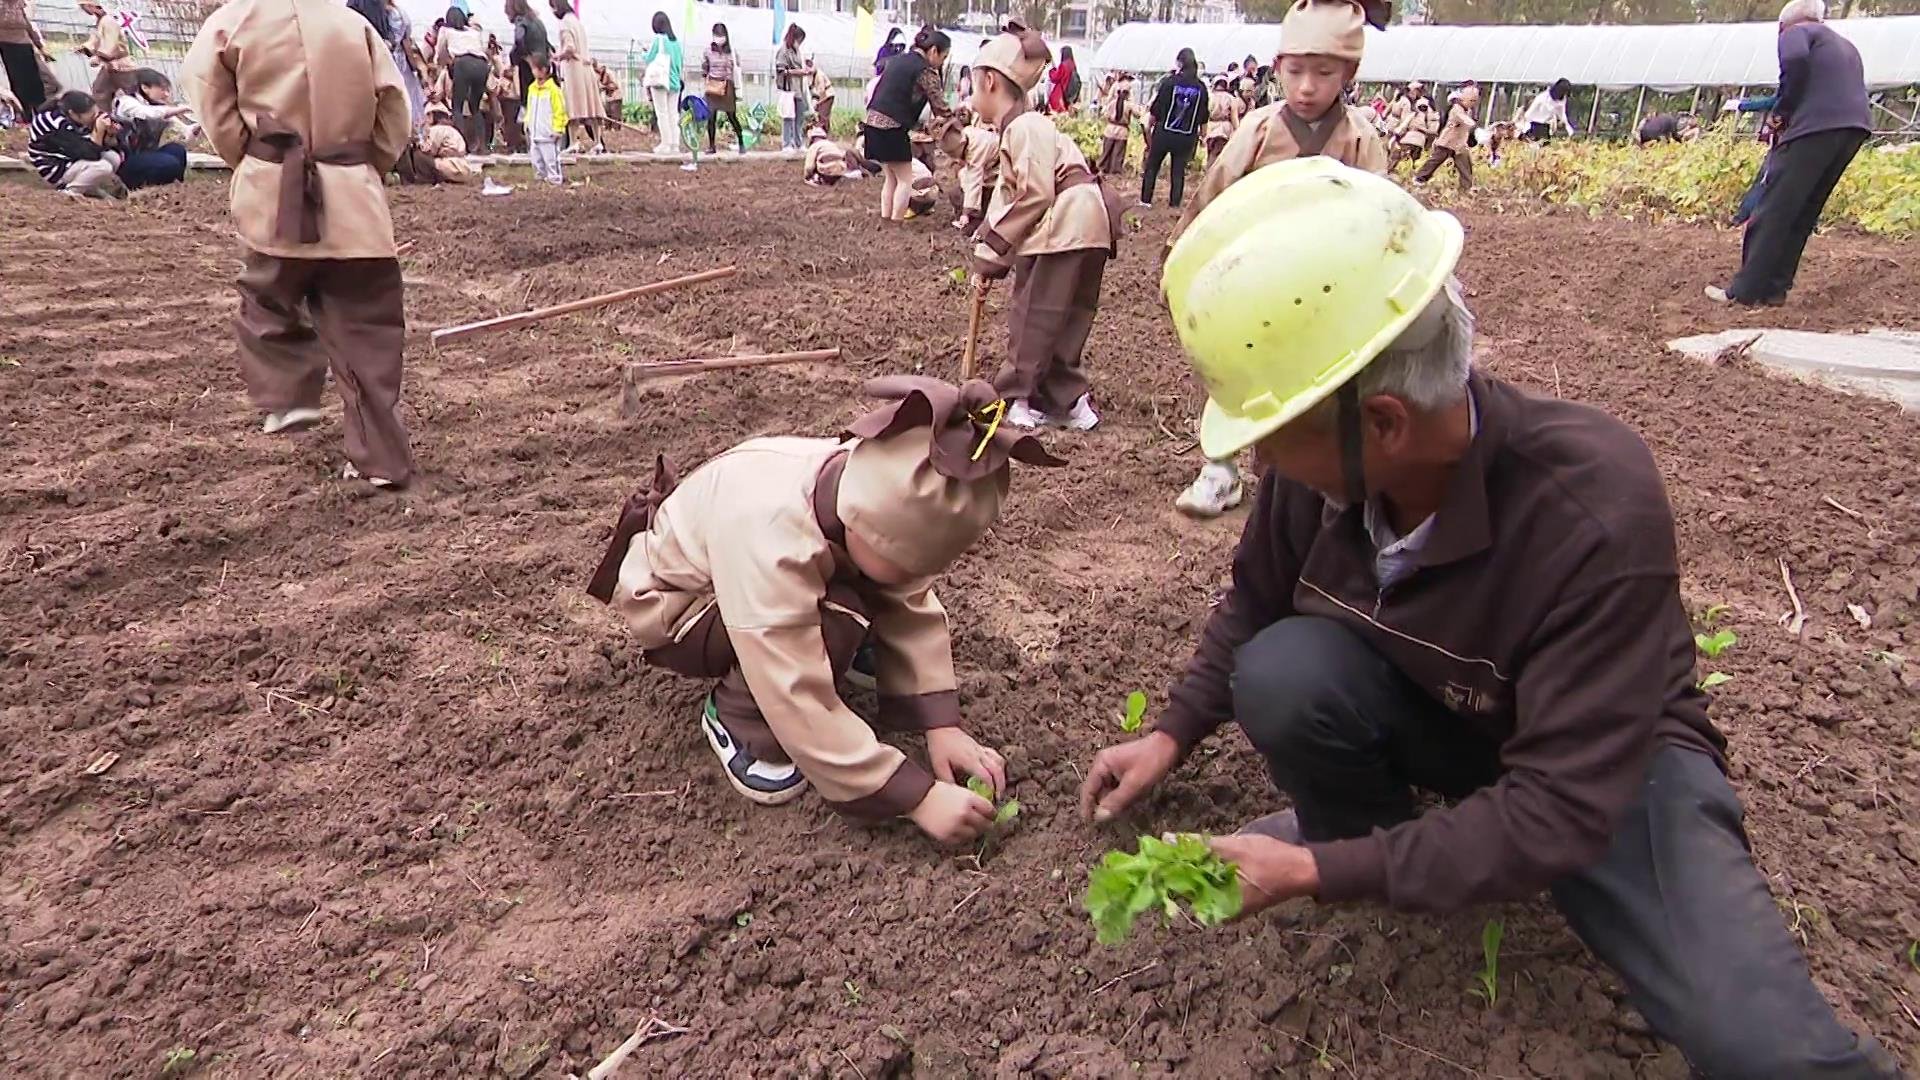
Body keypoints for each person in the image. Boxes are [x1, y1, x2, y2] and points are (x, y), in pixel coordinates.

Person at [1082, 155, 1907, 1080]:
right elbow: (1257, 602)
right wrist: (1172, 734)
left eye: (1270, 432)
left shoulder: (1588, 504)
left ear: (1383, 423)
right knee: (1284, 670)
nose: (1260, 458)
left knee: (1764, 1050)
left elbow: (1560, 805)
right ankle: (1370, 838)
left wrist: (1316, 877)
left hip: (1601, 764)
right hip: (1449, 712)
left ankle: (1359, 853)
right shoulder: (1323, 468)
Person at [587, 377, 1054, 839]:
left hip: (753, 578)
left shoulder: (870, 481)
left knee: (864, 593)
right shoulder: (770, 537)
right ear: (863, 524)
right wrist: (916, 796)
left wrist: (941, 725)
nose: (912, 577)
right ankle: (739, 715)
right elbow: (787, 672)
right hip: (679, 603)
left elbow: (908, 596)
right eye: (902, 562)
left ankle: (844, 646)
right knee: (837, 615)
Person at [183, 0, 416, 490]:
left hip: (273, 198)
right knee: (367, 334)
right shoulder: (354, 26)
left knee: (267, 301)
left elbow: (212, 103)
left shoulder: (232, 22)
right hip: (356, 204)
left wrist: (253, 161)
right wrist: (363, 167)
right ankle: (382, 462)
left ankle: (289, 396)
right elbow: (395, 110)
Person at [1171, 0, 1390, 520]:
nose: (1308, 87)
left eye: (1323, 72)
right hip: (1249, 278)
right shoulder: (1260, 130)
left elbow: (1383, 213)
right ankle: (1220, 468)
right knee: (1233, 369)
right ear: (1277, 69)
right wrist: (1180, 254)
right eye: (1296, 72)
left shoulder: (1360, 140)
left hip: (1326, 286)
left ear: (1349, 74)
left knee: (1314, 383)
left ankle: (1301, 477)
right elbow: (1213, 194)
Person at [967, 23, 1118, 434]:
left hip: (1064, 221)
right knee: (1071, 315)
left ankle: (1018, 399)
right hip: (1092, 222)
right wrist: (990, 257)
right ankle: (1067, 401)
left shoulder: (1024, 127)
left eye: (972, 83)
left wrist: (992, 250)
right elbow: (1007, 199)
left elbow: (1033, 193)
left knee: (1035, 312)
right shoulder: (1026, 127)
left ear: (990, 81)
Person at [1708, 4, 1871, 308]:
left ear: (1784, 24)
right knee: (1803, 211)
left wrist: (1779, 119)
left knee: (1774, 209)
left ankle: (1743, 292)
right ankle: (1774, 290)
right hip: (1853, 129)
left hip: (1813, 130)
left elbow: (1794, 61)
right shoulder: (1845, 45)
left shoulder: (1796, 32)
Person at [863, 27, 952, 223]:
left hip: (872, 122)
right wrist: (955, 120)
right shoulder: (925, 69)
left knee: (891, 178)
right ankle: (896, 222)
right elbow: (939, 105)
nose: (941, 63)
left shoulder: (899, 60)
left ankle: (886, 219)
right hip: (892, 127)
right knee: (905, 179)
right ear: (934, 51)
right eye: (943, 57)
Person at [28, 89, 125, 198]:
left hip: (71, 158)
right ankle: (69, 193)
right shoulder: (55, 124)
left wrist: (110, 134)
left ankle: (88, 186)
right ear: (73, 113)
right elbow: (89, 154)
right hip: (54, 167)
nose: (96, 117)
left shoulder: (75, 117)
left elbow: (94, 146)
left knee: (113, 157)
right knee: (103, 167)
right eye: (92, 115)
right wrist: (99, 130)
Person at [1139, 48, 1203, 209]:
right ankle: (1174, 203)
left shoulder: (1169, 82)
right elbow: (1203, 115)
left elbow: (1157, 107)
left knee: (1152, 165)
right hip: (1186, 136)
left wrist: (1150, 125)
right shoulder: (1200, 87)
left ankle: (1146, 200)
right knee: (1178, 170)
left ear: (1180, 63)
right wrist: (1203, 136)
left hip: (1164, 133)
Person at [110, 67, 190, 189]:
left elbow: (179, 127)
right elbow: (148, 113)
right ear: (145, 88)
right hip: (126, 161)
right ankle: (139, 188)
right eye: (162, 89)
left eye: (167, 90)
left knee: (177, 150)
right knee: (169, 163)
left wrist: (191, 130)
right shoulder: (126, 102)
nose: (166, 94)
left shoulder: (156, 106)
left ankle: (174, 189)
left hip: (147, 156)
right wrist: (182, 108)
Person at [548, 0, 604, 153]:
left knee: (572, 106)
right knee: (592, 106)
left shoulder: (565, 24)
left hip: (573, 69)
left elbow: (570, 48)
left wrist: (557, 56)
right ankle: (598, 142)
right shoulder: (577, 22)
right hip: (586, 67)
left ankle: (573, 142)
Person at [435, 7, 489, 150]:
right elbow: (481, 49)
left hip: (462, 63)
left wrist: (442, 63)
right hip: (482, 65)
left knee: (457, 106)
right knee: (475, 106)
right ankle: (483, 146)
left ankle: (460, 146)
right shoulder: (474, 32)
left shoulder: (446, 31)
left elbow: (440, 53)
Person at [940, 113, 998, 235]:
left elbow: (974, 181)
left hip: (996, 178)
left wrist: (966, 212)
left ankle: (974, 220)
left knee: (983, 203)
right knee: (955, 191)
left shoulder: (978, 147)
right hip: (986, 174)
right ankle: (966, 217)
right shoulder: (966, 134)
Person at [1413, 81, 1477, 190]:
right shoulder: (1457, 108)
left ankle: (1467, 188)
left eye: (1475, 101)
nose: (1473, 103)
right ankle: (1419, 179)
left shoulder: (1468, 110)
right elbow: (1463, 119)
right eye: (1471, 100)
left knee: (1465, 166)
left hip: (1460, 145)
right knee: (1435, 161)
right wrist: (1473, 124)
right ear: (1463, 98)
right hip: (1447, 142)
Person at [395, 101, 477, 183]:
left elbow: (427, 150)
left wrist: (415, 140)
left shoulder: (436, 130)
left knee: (417, 154)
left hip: (450, 166)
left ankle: (417, 179)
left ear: (431, 116)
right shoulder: (452, 130)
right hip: (464, 167)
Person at [76, 0, 134, 111]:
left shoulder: (108, 21)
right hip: (111, 66)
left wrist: (99, 57)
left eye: (83, 7)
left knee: (132, 94)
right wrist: (85, 48)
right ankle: (104, 119)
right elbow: (96, 39)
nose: (84, 10)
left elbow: (110, 45)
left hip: (121, 66)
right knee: (100, 92)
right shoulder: (101, 21)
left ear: (90, 5)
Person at [640, 12, 684, 156]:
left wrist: (643, 52)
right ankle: (675, 144)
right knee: (673, 114)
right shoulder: (676, 42)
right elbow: (679, 63)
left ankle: (665, 144)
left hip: (660, 81)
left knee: (662, 113)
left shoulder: (659, 39)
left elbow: (649, 58)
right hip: (675, 82)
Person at [0, 0, 53, 113]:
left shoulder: (19, 4)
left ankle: (42, 111)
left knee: (35, 81)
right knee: (18, 82)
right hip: (7, 46)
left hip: (24, 45)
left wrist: (40, 47)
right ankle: (25, 113)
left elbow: (27, 25)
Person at [523, 50, 567, 184]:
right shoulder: (532, 88)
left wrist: (558, 128)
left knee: (551, 160)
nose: (532, 72)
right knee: (536, 160)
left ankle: (555, 180)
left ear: (543, 70)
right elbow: (530, 107)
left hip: (548, 134)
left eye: (534, 69)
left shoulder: (553, 90)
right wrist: (527, 122)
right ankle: (540, 181)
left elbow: (559, 111)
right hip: (535, 133)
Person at [701, 24, 745, 155]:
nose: (719, 39)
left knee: (731, 115)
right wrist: (706, 78)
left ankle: (741, 142)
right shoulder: (708, 51)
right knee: (711, 116)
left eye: (721, 36)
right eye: (717, 36)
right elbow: (704, 67)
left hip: (727, 86)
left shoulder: (732, 52)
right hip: (713, 85)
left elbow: (737, 68)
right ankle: (711, 146)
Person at [505, 0, 550, 114]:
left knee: (528, 100)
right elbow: (547, 44)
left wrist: (514, 58)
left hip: (528, 65)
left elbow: (519, 40)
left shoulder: (521, 21)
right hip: (542, 64)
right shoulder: (538, 21)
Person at [774, 24, 811, 152]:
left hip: (799, 89)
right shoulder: (783, 51)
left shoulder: (798, 51)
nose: (799, 43)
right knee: (788, 117)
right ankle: (787, 143)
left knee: (799, 117)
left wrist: (806, 69)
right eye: (799, 40)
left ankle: (798, 142)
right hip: (789, 89)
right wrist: (798, 72)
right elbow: (781, 70)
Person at [1095, 71, 1136, 176]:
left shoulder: (1112, 101)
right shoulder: (1128, 104)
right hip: (1122, 131)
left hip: (1110, 129)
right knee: (1118, 155)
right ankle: (1115, 173)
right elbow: (1137, 113)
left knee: (1106, 152)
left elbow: (1104, 113)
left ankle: (1103, 170)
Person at [488, 35, 521, 152]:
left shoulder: (506, 62)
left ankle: (511, 145)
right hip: (510, 94)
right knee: (510, 122)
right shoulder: (511, 64)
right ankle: (512, 145)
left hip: (509, 94)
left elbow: (502, 71)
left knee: (509, 122)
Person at [1204, 75, 1244, 167]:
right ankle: (1213, 174)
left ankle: (1208, 173)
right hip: (1224, 128)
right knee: (1219, 154)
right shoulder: (1230, 98)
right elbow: (1234, 117)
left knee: (1210, 153)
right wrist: (1238, 131)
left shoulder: (1208, 96)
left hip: (1210, 126)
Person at [1046, 44, 1078, 114]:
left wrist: (1052, 70)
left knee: (1056, 104)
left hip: (1061, 90)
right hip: (1069, 91)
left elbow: (1055, 77)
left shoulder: (1063, 65)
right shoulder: (1073, 64)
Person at [1635, 111, 1700, 145]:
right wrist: (1682, 143)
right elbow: (1675, 136)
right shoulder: (1672, 122)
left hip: (1643, 133)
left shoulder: (1663, 117)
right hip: (1653, 135)